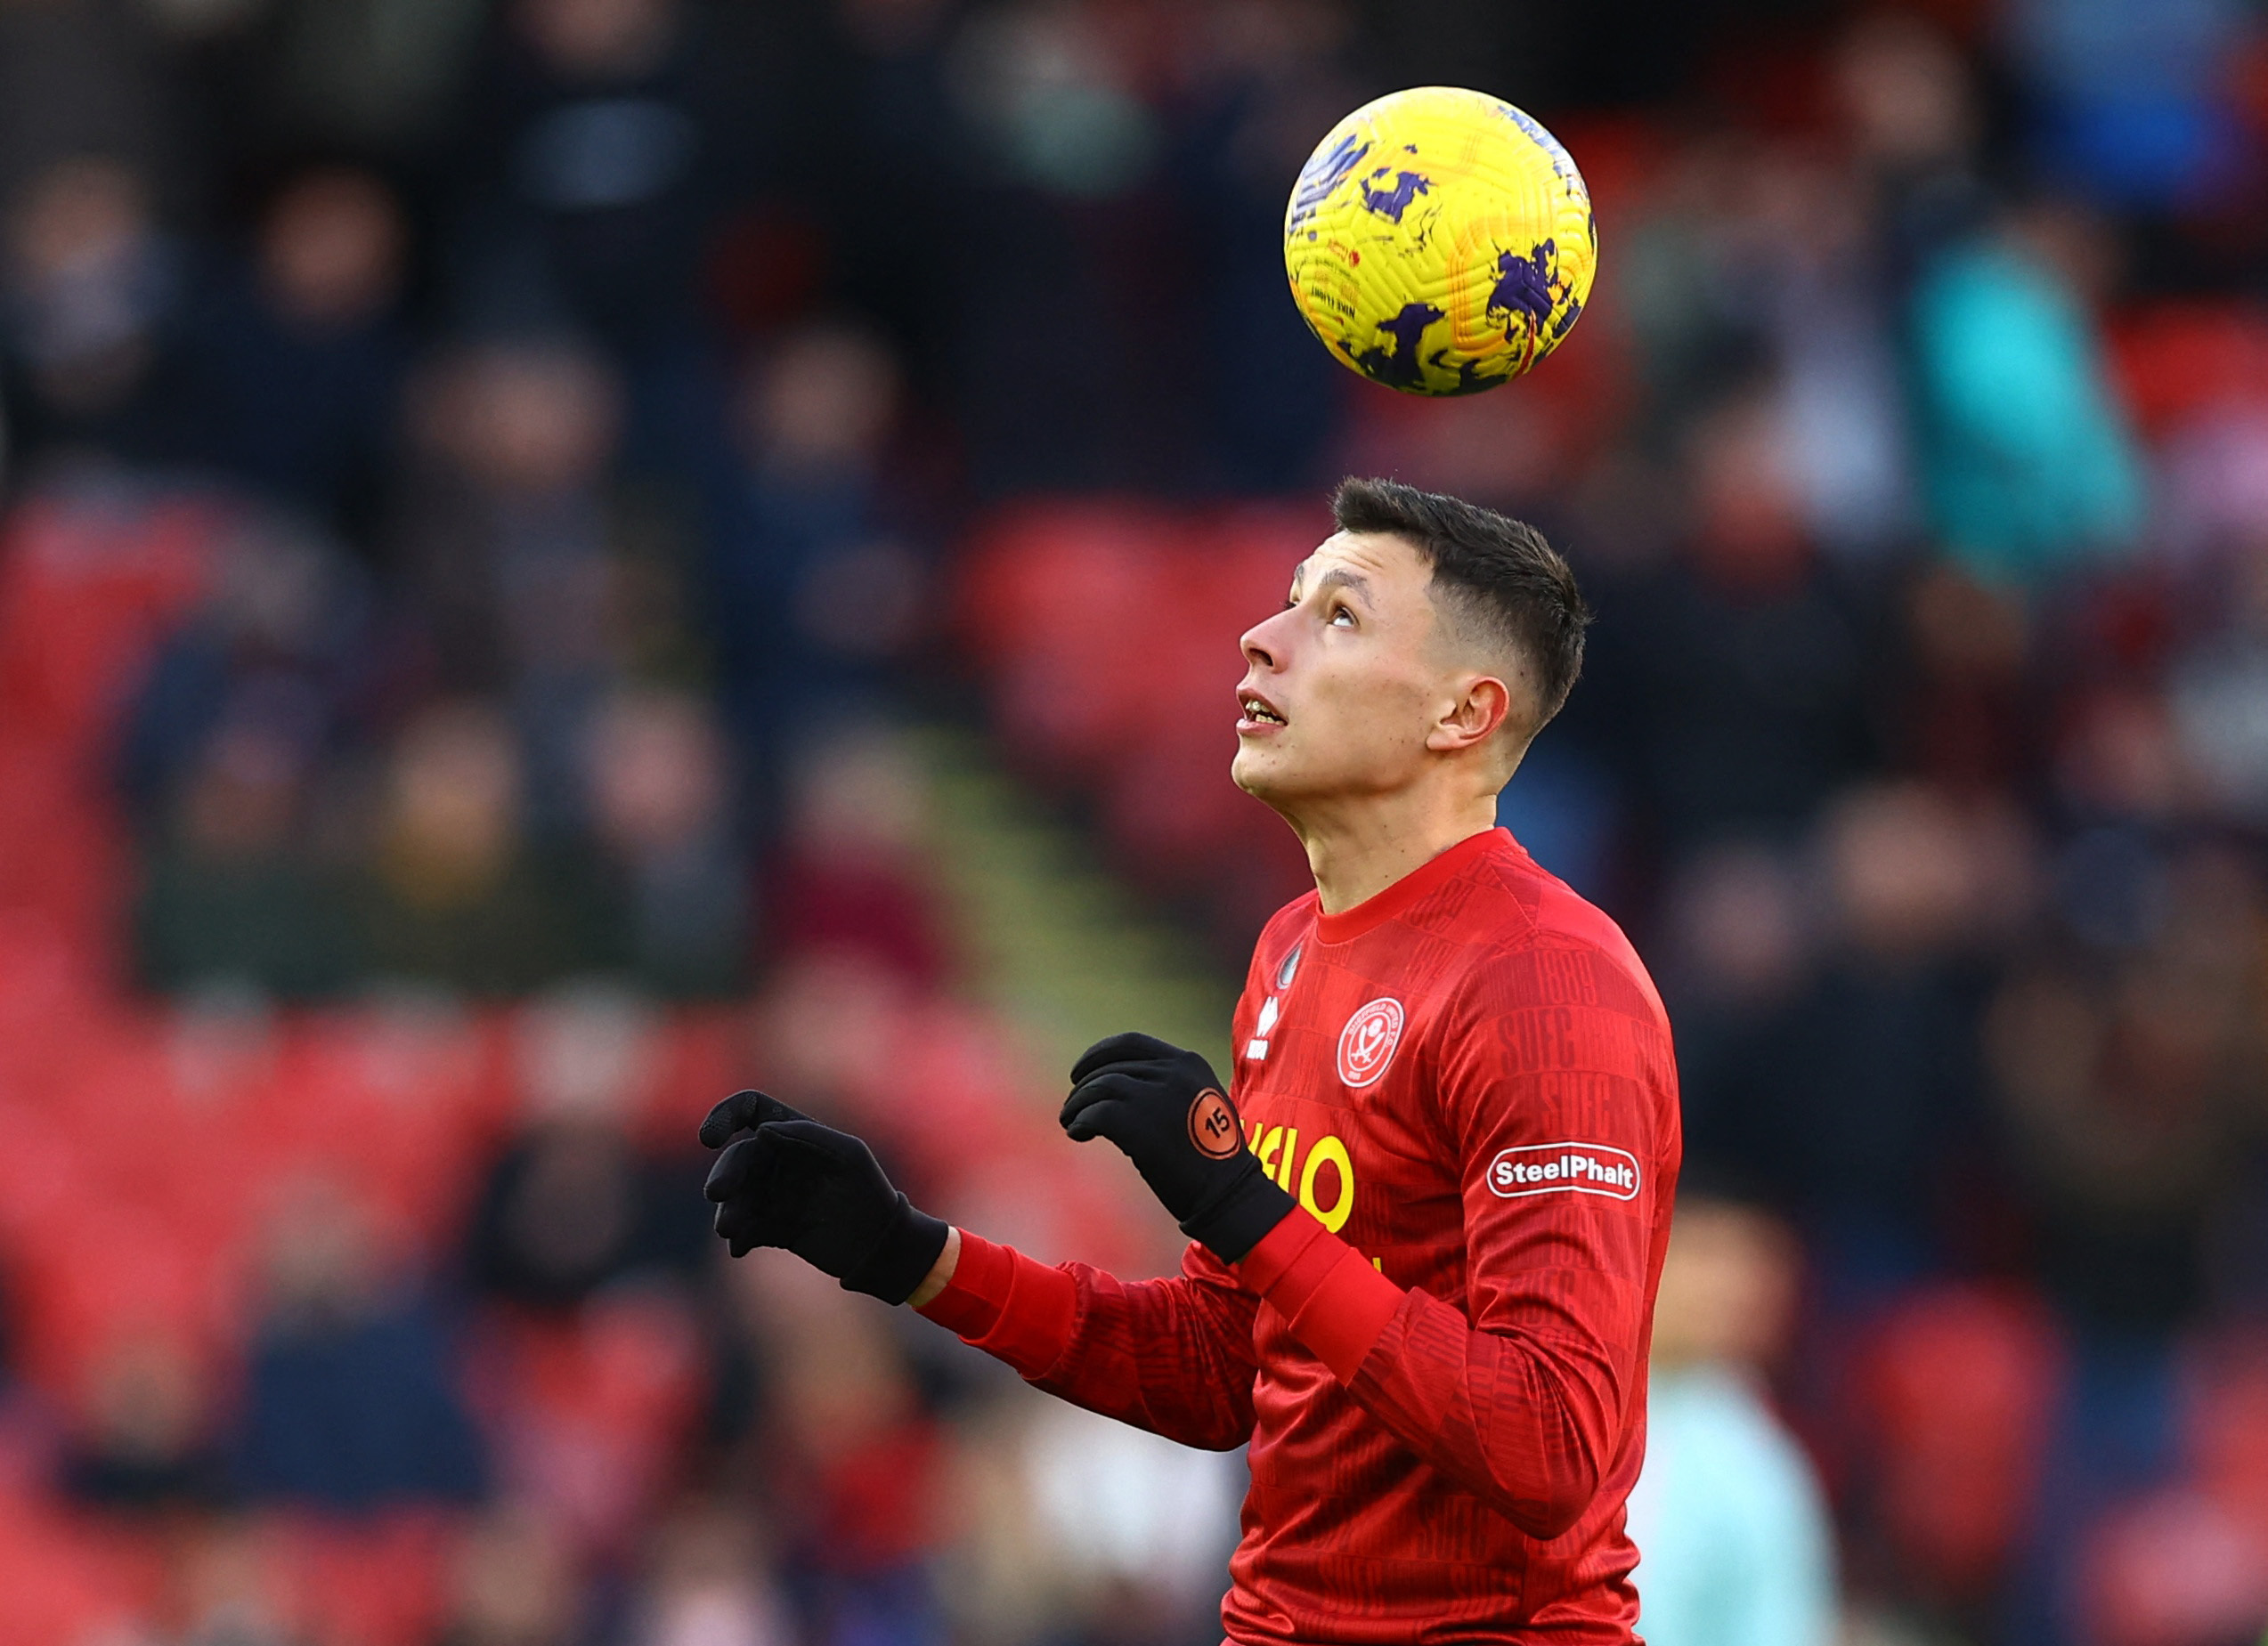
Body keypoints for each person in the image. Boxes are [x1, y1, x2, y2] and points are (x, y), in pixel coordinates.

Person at [700, 477, 1683, 1642]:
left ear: (1459, 715)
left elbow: (1550, 1442)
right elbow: (1226, 1370)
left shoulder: (1546, 982)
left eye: (1336, 619)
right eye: (1284, 603)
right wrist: (910, 1255)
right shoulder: (1286, 955)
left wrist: (1243, 1209)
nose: (1258, 641)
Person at [1624, 1188, 1837, 1646]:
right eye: (1701, 1255)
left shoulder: (1755, 1458)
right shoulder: (1550, 1395)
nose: (1723, 1288)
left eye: (1744, 1268)